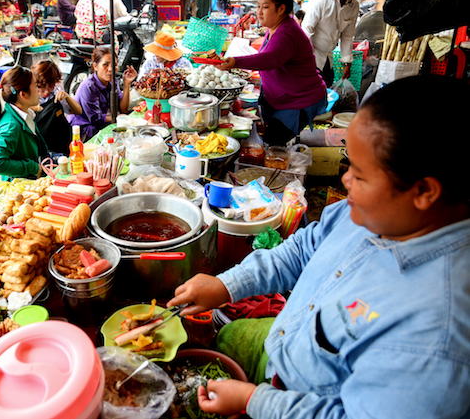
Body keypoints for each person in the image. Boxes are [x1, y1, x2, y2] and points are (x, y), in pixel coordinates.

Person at [167, 75, 470, 419]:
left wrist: (256, 402)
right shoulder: (373, 213)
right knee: (231, 336)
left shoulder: (436, 338)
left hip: (299, 401)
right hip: (286, 351)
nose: (345, 180)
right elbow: (302, 250)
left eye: (360, 173)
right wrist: (227, 285)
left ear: (424, 192)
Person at [219, 0, 327, 145]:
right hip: (284, 98)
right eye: (258, 6)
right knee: (270, 141)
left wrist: (236, 62)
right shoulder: (275, 28)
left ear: (281, 9)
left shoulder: (286, 33)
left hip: (298, 101)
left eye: (266, 7)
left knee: (274, 144)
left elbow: (271, 59)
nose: (259, 12)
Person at [0, 66, 49, 181]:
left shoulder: (23, 113)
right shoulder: (11, 127)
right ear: (23, 95)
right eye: (35, 86)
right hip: (19, 190)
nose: (39, 89)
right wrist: (32, 167)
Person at [69, 46, 137, 141]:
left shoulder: (112, 82)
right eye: (105, 65)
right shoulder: (89, 87)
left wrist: (127, 84)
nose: (110, 69)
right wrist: (117, 117)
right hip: (84, 129)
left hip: (100, 121)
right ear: (95, 66)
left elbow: (123, 108)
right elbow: (95, 119)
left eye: (114, 65)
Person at [302, 0, 359, 86]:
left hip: (328, 56)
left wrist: (347, 62)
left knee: (327, 84)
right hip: (313, 54)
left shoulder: (353, 6)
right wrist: (307, 58)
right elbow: (307, 29)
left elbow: (347, 36)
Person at [31, 60, 82, 155]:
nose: (46, 92)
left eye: (50, 86)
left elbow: (78, 111)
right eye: (41, 87)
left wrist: (67, 97)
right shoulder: (29, 98)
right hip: (41, 148)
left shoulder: (56, 92)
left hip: (61, 144)